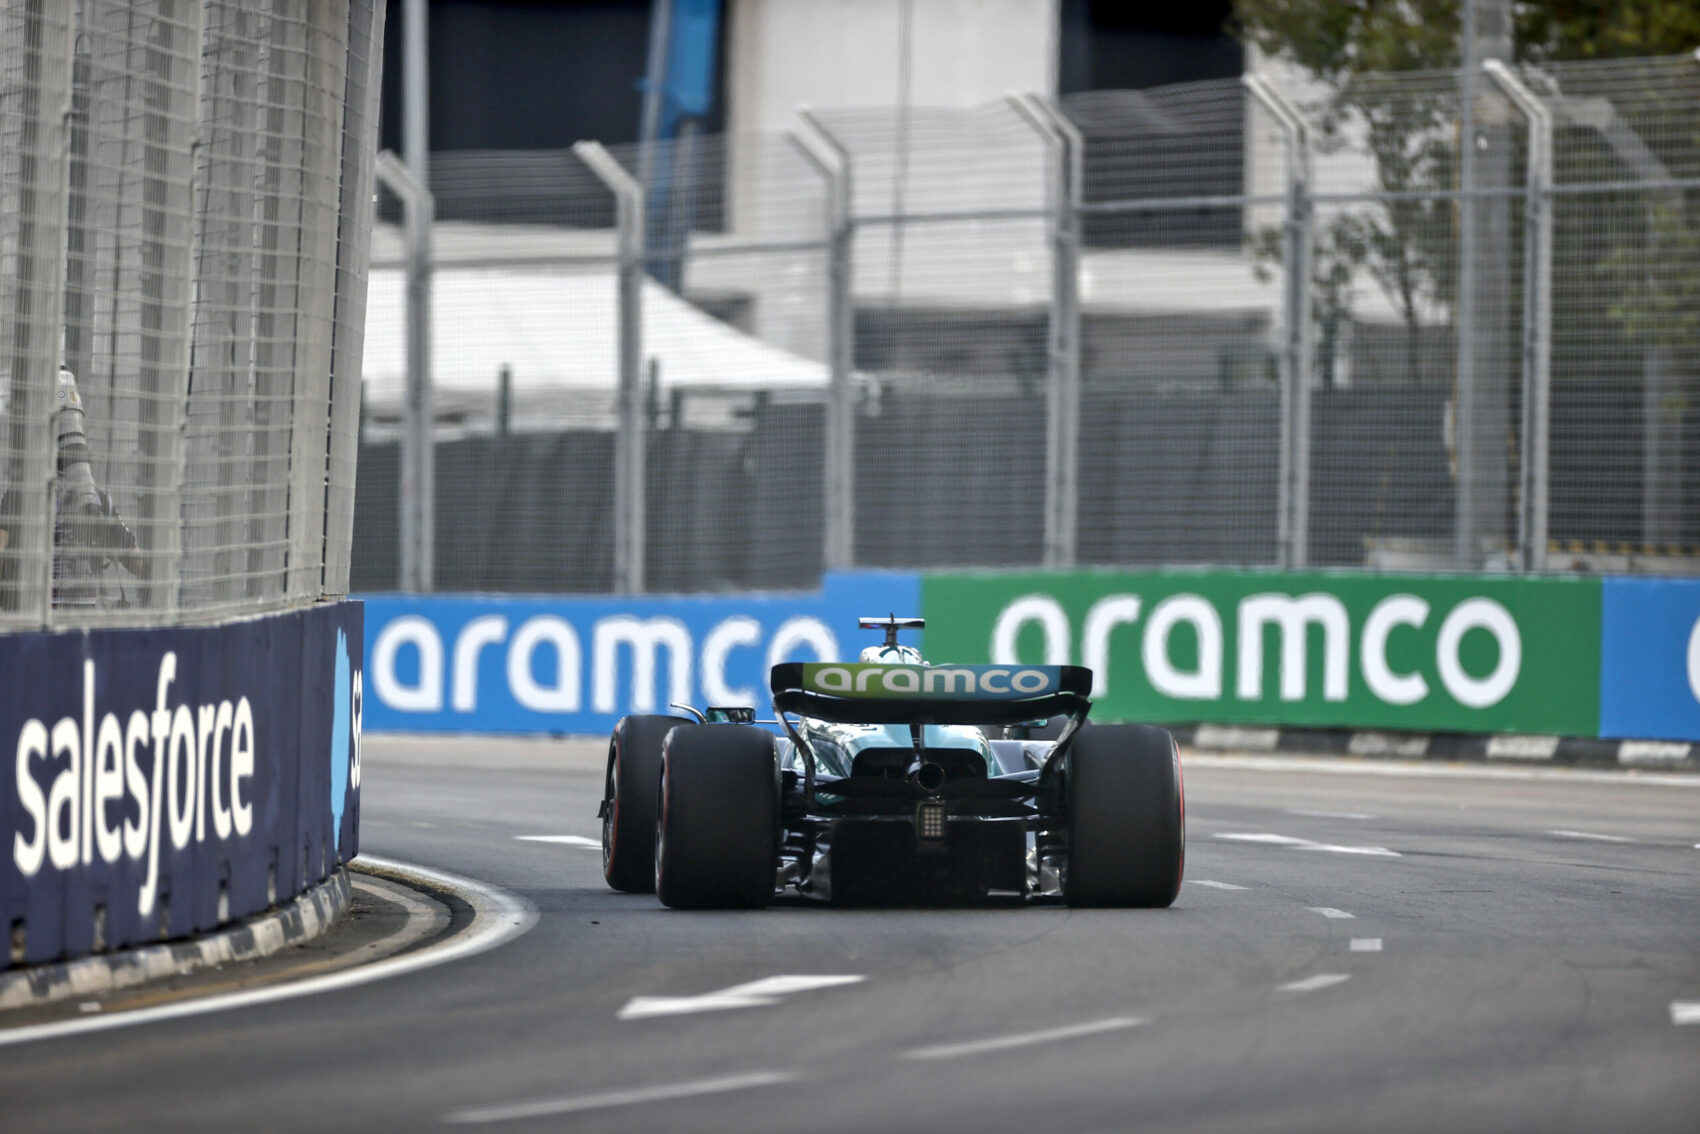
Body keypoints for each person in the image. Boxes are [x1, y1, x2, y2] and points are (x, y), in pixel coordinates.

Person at [0, 368, 141, 612]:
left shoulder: (95, 498)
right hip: (54, 624)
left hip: (57, 624)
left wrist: (118, 537)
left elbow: (139, 563)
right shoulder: (25, 494)